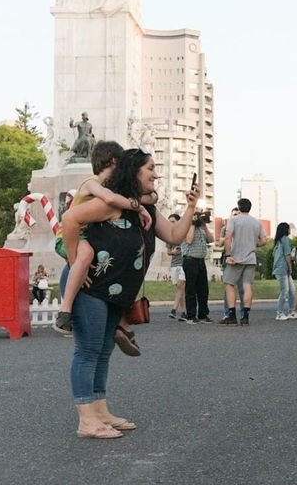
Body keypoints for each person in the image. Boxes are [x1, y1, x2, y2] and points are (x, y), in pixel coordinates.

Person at [60, 148, 196, 439]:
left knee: (104, 350)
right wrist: (74, 261)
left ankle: (100, 410)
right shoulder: (111, 204)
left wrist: (190, 207)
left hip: (114, 293)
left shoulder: (144, 208)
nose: (156, 174)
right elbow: (70, 220)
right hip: (92, 287)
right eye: (150, 168)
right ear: (134, 171)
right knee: (88, 350)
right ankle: (86, 420)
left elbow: (174, 235)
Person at [54, 141, 153, 357]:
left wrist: (148, 198)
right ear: (114, 162)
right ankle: (65, 311)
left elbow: (138, 196)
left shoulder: (108, 188)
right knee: (86, 255)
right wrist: (138, 206)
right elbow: (110, 199)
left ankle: (122, 325)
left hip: (83, 235)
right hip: (69, 236)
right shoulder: (91, 184)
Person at [221, 198, 267, 325]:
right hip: (250, 258)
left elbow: (228, 237)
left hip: (235, 257)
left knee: (229, 284)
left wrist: (228, 254)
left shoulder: (234, 220)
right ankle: (245, 315)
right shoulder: (256, 222)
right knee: (247, 285)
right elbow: (264, 240)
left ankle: (231, 314)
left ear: (239, 207)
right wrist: (253, 244)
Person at [179, 213, 211, 323]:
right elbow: (188, 240)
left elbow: (211, 239)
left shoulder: (201, 229)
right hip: (190, 260)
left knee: (203, 289)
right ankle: (191, 315)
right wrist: (192, 224)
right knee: (191, 289)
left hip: (201, 261)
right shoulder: (185, 228)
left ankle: (203, 315)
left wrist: (205, 226)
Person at [272, 222, 297, 320]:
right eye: (288, 228)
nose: (290, 230)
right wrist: (290, 267)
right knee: (285, 291)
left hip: (280, 268)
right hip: (282, 268)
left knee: (292, 290)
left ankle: (292, 311)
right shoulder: (285, 239)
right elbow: (287, 255)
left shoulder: (278, 241)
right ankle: (279, 313)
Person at [166, 214, 183, 319]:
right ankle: (185, 312)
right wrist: (173, 252)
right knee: (180, 289)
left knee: (181, 288)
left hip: (183, 264)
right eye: (169, 221)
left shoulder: (184, 233)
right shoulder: (169, 235)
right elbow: (168, 252)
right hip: (174, 264)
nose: (170, 223)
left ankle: (174, 310)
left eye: (172, 221)